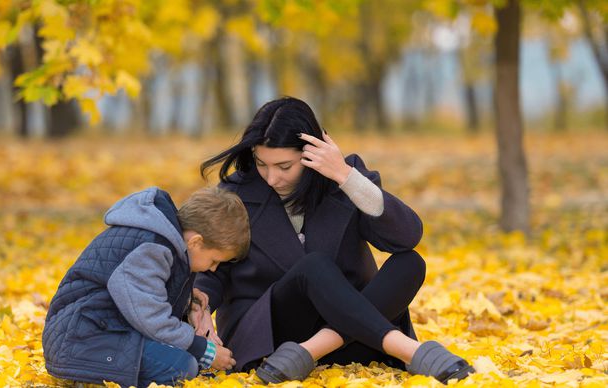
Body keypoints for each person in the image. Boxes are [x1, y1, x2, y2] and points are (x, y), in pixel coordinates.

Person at [193, 97, 475, 384]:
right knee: (313, 266)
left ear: (312, 154)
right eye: (262, 164)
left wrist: (344, 176)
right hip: (272, 339)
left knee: (411, 263)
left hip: (349, 337)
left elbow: (407, 236)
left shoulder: (342, 177)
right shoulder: (236, 192)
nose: (271, 178)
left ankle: (311, 351)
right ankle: (411, 351)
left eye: (284, 166)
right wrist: (199, 304)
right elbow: (210, 264)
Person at [42, 186, 250, 387]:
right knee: (181, 366)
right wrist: (203, 350)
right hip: (81, 341)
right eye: (214, 261)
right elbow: (149, 316)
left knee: (183, 361)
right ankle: (89, 379)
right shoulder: (152, 248)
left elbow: (140, 297)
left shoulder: (164, 243)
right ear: (195, 242)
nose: (213, 270)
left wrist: (189, 301)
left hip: (102, 332)